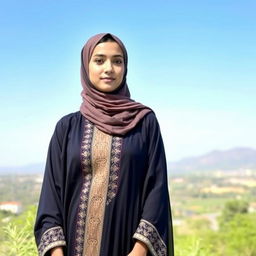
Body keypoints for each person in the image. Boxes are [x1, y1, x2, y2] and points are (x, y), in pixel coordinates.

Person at [34, 33, 174, 256]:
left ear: (125, 68)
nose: (109, 68)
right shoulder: (66, 127)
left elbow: (156, 191)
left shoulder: (145, 122)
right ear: (86, 66)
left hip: (127, 249)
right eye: (99, 60)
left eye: (117, 61)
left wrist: (138, 252)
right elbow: (51, 196)